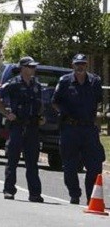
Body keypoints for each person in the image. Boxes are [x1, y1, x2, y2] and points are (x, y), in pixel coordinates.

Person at [52, 53, 105, 205]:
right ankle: (74, 194)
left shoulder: (95, 81)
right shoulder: (64, 81)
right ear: (72, 65)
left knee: (95, 165)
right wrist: (62, 113)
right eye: (77, 64)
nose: (80, 67)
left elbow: (99, 102)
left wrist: (99, 119)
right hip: (70, 128)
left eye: (82, 64)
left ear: (86, 65)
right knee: (70, 166)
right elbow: (55, 102)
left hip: (89, 129)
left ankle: (92, 197)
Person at [0, 56, 44, 203]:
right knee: (12, 160)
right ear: (22, 68)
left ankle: (35, 193)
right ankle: (9, 190)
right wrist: (7, 114)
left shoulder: (37, 85)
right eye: (29, 66)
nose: (32, 69)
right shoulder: (13, 83)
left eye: (34, 67)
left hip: (32, 127)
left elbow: (40, 104)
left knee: (32, 162)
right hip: (17, 126)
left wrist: (41, 116)